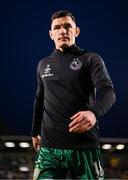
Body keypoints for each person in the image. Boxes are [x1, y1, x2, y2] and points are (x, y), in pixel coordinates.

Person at [31, 10, 116, 179]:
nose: (62, 31)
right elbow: (39, 99)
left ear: (76, 31)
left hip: (84, 146)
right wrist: (34, 132)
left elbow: (108, 92)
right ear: (51, 34)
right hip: (49, 149)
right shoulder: (43, 64)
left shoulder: (91, 59)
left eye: (67, 26)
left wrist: (94, 112)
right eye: (57, 27)